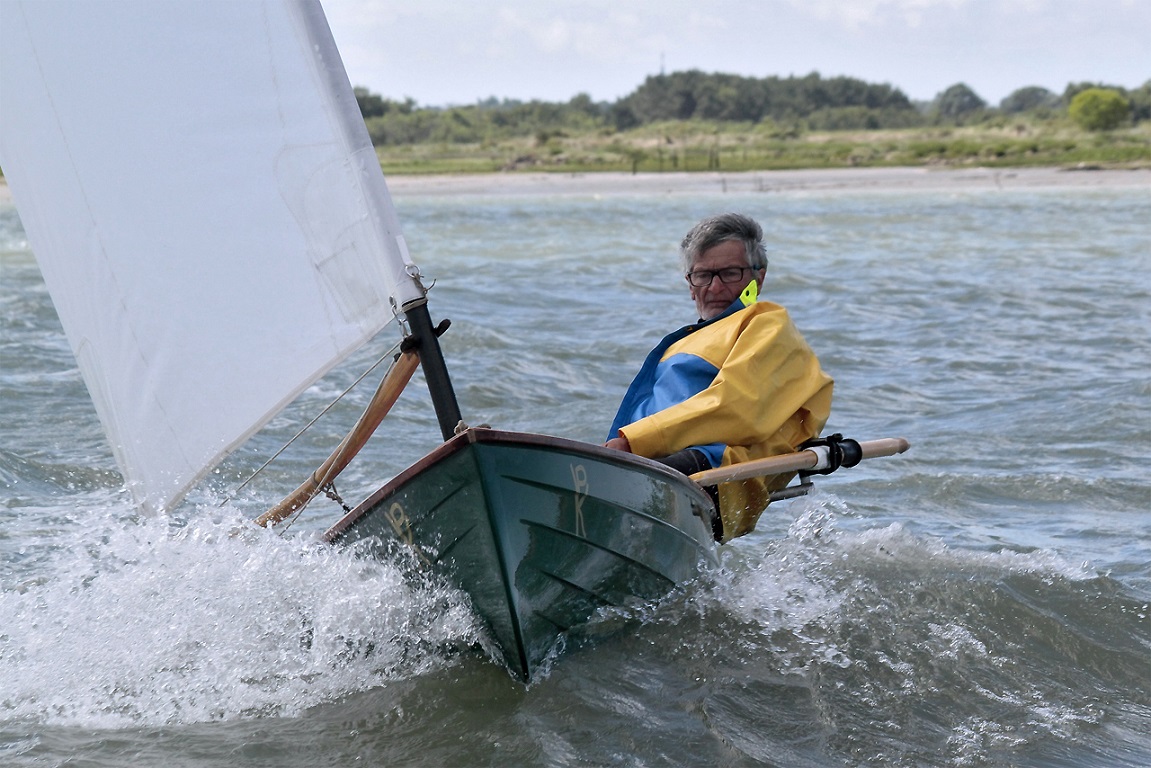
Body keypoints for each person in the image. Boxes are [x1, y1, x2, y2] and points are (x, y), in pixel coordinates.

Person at [604, 213, 833, 542]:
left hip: (711, 469)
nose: (714, 287)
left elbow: (737, 406)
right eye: (702, 275)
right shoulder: (685, 341)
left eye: (729, 273)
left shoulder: (766, 324)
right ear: (689, 284)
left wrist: (632, 442)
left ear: (759, 277)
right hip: (650, 457)